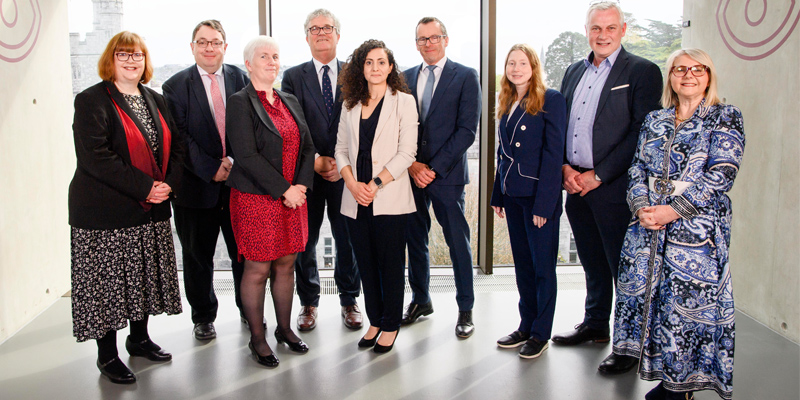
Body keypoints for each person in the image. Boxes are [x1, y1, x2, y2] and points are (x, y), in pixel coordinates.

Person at [613, 48, 743, 400]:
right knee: (655, 305)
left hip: (695, 233)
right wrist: (641, 206)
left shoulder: (725, 116)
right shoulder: (655, 119)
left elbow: (722, 175)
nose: (688, 75)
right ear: (670, 76)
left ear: (709, 75)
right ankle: (667, 378)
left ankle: (681, 388)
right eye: (680, 69)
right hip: (648, 227)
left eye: (697, 69)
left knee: (684, 309)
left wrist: (672, 210)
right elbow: (637, 167)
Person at [552, 1, 662, 375]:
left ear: (623, 30)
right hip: (574, 182)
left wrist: (598, 175)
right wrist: (566, 168)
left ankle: (629, 346)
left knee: (623, 268)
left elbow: (640, 133)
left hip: (612, 186)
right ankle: (595, 324)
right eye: (595, 28)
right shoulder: (571, 71)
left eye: (610, 28)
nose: (602, 35)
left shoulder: (643, 71)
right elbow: (561, 124)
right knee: (592, 260)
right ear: (587, 30)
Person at [69, 31, 184, 384]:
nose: (132, 60)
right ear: (110, 60)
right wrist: (146, 187)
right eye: (123, 54)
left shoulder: (155, 97)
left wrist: (167, 186)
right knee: (109, 287)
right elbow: (96, 158)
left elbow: (176, 147)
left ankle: (139, 339)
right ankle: (108, 356)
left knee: (142, 278)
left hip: (150, 209)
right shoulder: (91, 100)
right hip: (105, 212)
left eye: (137, 55)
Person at [226, 36, 315, 367]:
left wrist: (302, 186)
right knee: (257, 269)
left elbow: (307, 146)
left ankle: (284, 330)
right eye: (264, 56)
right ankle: (258, 338)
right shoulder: (240, 102)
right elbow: (245, 155)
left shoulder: (288, 99)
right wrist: (284, 190)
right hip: (257, 199)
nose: (271, 61)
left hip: (294, 199)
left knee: (286, 265)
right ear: (249, 64)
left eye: (276, 56)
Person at [162, 19, 251, 341]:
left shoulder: (243, 79)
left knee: (243, 253)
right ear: (193, 47)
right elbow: (179, 137)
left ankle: (249, 310)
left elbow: (253, 129)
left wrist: (232, 162)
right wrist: (211, 167)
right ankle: (203, 316)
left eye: (215, 42)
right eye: (203, 42)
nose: (209, 47)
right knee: (198, 257)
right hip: (195, 187)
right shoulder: (174, 86)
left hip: (240, 184)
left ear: (225, 47)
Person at [335, 39, 418, 354]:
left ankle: (391, 324)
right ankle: (374, 319)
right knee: (366, 264)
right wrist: (353, 184)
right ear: (361, 68)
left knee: (391, 264)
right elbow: (340, 149)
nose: (375, 68)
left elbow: (407, 152)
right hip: (355, 197)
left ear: (391, 67)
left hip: (389, 196)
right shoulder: (350, 103)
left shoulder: (404, 102)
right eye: (369, 62)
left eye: (381, 62)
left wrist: (374, 183)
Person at [401, 17, 481, 338]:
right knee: (414, 239)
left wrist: (431, 168)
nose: (428, 43)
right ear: (416, 43)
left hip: (445, 176)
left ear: (445, 40)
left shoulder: (465, 76)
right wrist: (412, 166)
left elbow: (467, 131)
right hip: (410, 175)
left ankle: (465, 309)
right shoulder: (404, 78)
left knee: (457, 242)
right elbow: (397, 125)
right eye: (422, 39)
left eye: (434, 37)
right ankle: (421, 300)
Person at [282, 9, 362, 332]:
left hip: (346, 174)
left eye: (327, 27)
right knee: (305, 241)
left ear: (337, 35)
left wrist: (340, 163)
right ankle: (309, 301)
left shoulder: (355, 74)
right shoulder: (292, 76)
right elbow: (292, 125)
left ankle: (349, 300)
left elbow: (360, 124)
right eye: (314, 29)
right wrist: (315, 160)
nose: (321, 33)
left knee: (347, 240)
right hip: (306, 173)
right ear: (306, 37)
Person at [490, 44, 566, 359]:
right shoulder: (507, 101)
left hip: (538, 198)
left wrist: (545, 205)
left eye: (522, 63)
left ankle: (540, 332)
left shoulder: (552, 99)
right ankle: (525, 325)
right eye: (511, 63)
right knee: (523, 265)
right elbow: (502, 155)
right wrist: (498, 194)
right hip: (513, 194)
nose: (516, 68)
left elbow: (553, 154)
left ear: (533, 67)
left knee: (543, 267)